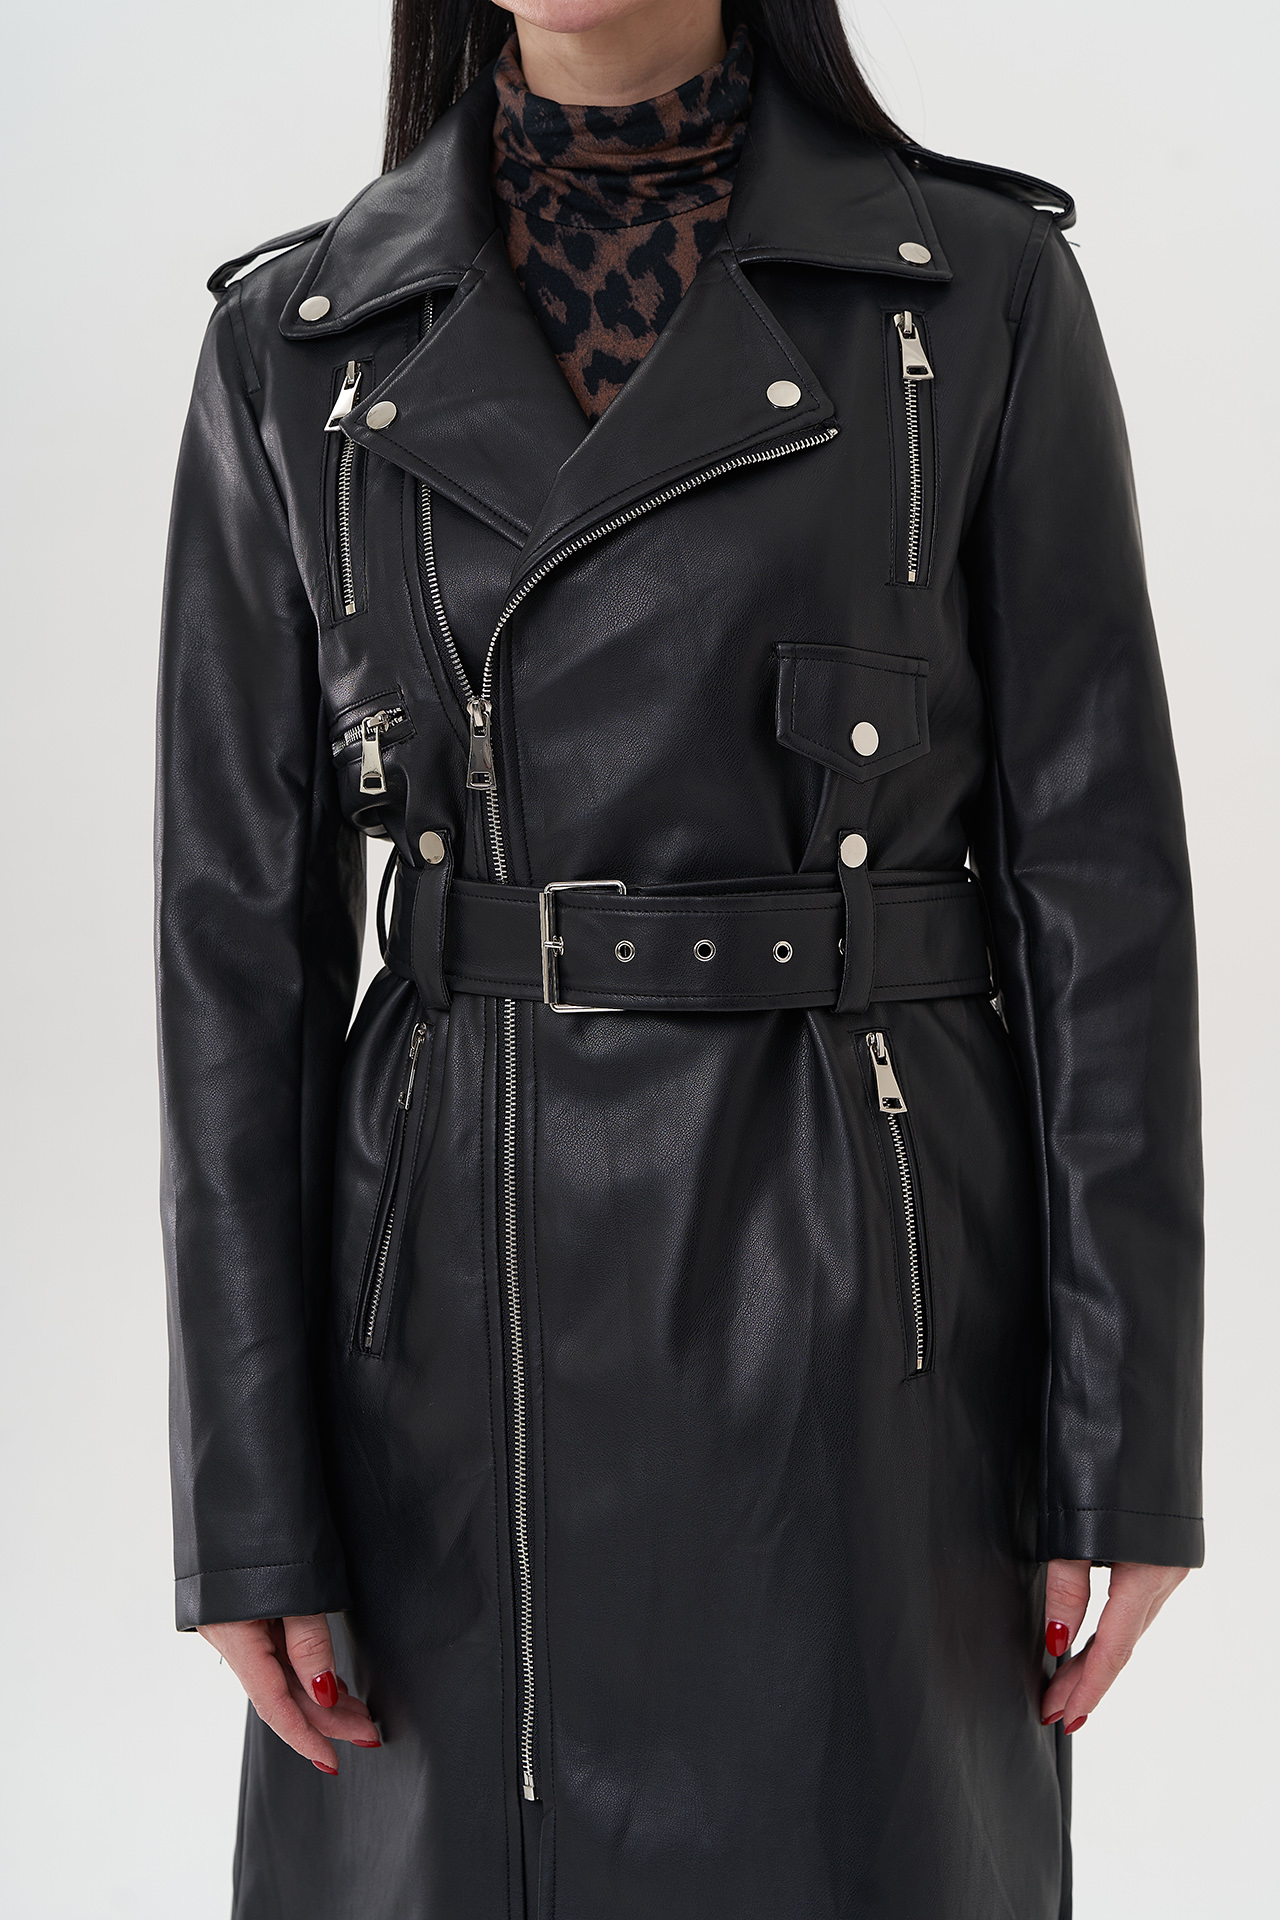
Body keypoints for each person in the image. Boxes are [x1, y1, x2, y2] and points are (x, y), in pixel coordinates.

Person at [154, 0, 1203, 1914]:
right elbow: (235, 958)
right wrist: (245, 1500)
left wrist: (1122, 1443)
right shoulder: (295, 345)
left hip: (866, 1329)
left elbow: (1101, 893)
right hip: (439, 1352)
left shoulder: (971, 296)